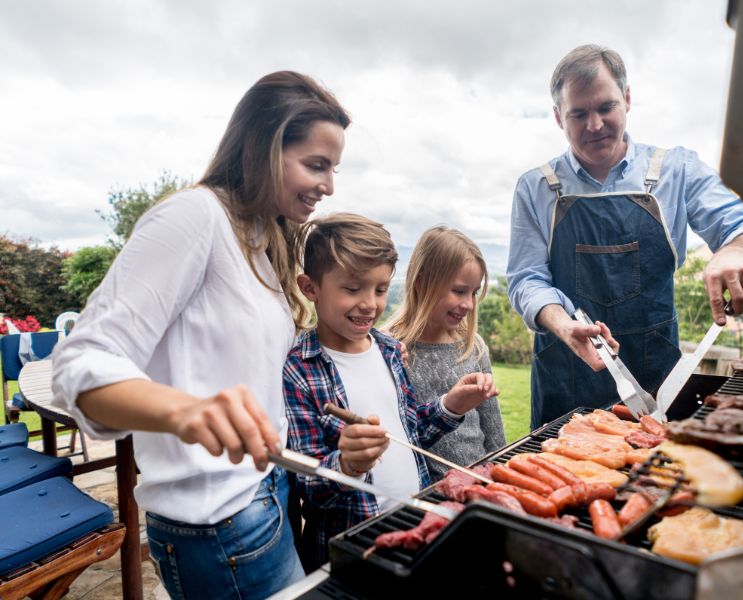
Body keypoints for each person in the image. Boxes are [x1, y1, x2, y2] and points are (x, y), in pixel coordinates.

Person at [51, 71, 350, 599]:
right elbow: (81, 362)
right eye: (316, 164)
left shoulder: (261, 236)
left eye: (333, 168)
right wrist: (185, 411)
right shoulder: (193, 217)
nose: (328, 185)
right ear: (263, 148)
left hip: (262, 497)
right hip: (216, 527)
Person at [507, 44, 743, 429]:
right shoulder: (536, 187)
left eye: (605, 108)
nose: (594, 125)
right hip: (564, 374)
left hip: (658, 376)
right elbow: (526, 278)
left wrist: (737, 251)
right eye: (578, 113)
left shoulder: (676, 169)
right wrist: (561, 322)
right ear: (558, 117)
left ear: (627, 98)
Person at [283, 213, 498, 570]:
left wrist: (451, 405)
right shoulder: (299, 370)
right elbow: (310, 485)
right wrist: (348, 465)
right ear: (310, 288)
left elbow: (412, 433)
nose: (370, 303)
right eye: (353, 289)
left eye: (380, 289)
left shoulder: (388, 350)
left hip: (413, 524)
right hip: (354, 546)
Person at [386, 225, 506, 481]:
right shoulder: (392, 350)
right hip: (427, 494)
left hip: (479, 484)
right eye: (459, 291)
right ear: (421, 283)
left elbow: (493, 430)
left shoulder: (473, 347)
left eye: (473, 293)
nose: (469, 304)